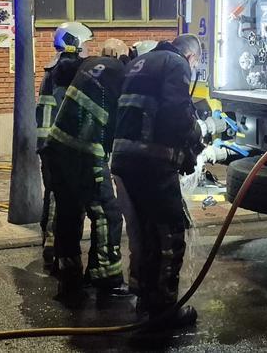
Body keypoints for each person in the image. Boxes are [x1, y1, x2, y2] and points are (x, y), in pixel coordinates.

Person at [110, 34, 205, 329]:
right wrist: (194, 144)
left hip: (125, 159)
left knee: (147, 232)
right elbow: (178, 111)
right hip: (150, 161)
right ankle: (165, 309)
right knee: (170, 233)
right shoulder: (176, 63)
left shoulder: (143, 61)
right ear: (191, 57)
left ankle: (146, 298)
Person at [43, 38, 134, 305]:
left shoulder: (88, 64)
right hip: (84, 152)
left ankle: (68, 276)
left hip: (57, 147)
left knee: (69, 212)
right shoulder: (120, 74)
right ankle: (107, 278)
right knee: (108, 213)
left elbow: (59, 71)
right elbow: (121, 121)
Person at [36, 22, 94, 273]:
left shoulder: (53, 68)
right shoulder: (69, 70)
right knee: (64, 199)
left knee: (52, 194)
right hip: (61, 145)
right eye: (87, 44)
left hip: (49, 144)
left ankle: (51, 245)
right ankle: (57, 249)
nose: (89, 49)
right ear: (75, 43)